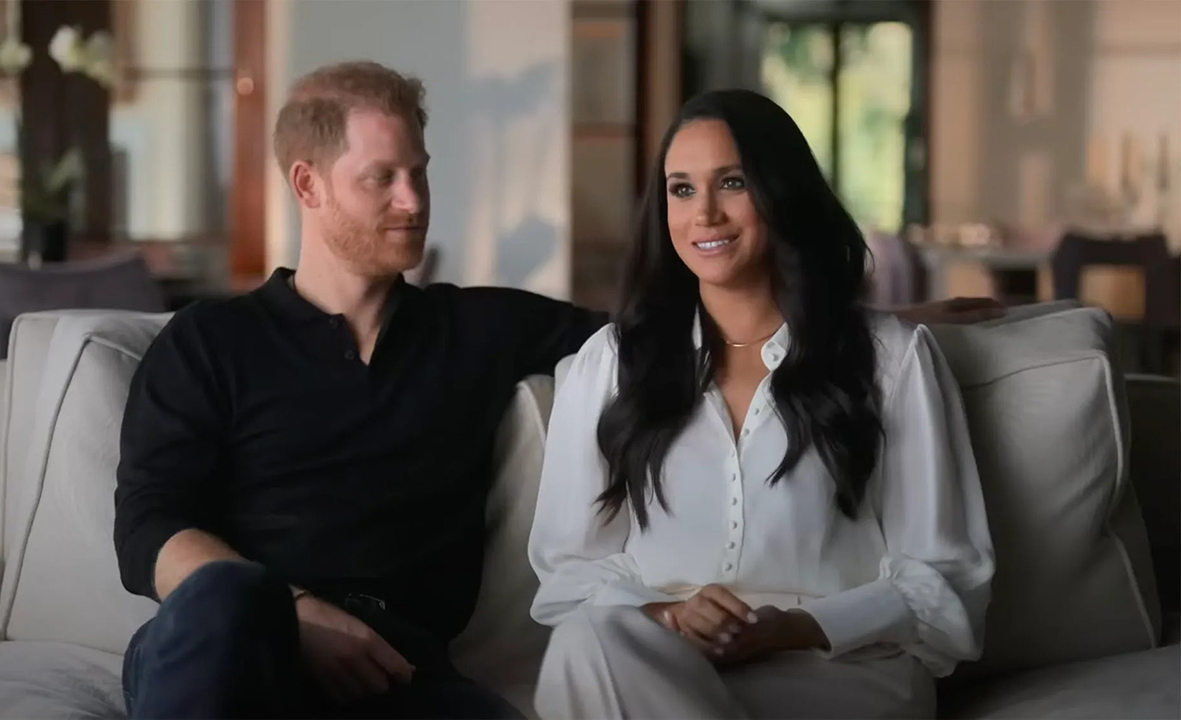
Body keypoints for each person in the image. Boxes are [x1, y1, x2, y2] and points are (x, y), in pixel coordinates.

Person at [115, 61, 997, 719]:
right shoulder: (209, 342)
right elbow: (149, 525)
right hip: (244, 644)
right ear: (307, 185)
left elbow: (702, 313)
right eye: (381, 178)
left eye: (419, 171)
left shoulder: (480, 330)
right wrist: (298, 614)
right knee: (227, 600)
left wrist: (870, 314)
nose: (413, 199)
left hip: (401, 670)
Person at [527, 89, 995, 719]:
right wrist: (666, 615)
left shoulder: (892, 358)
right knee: (585, 644)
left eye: (733, 183)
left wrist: (787, 628)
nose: (706, 214)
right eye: (682, 189)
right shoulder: (611, 363)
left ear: (781, 194)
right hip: (659, 664)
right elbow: (565, 576)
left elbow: (947, 579)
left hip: (838, 671)